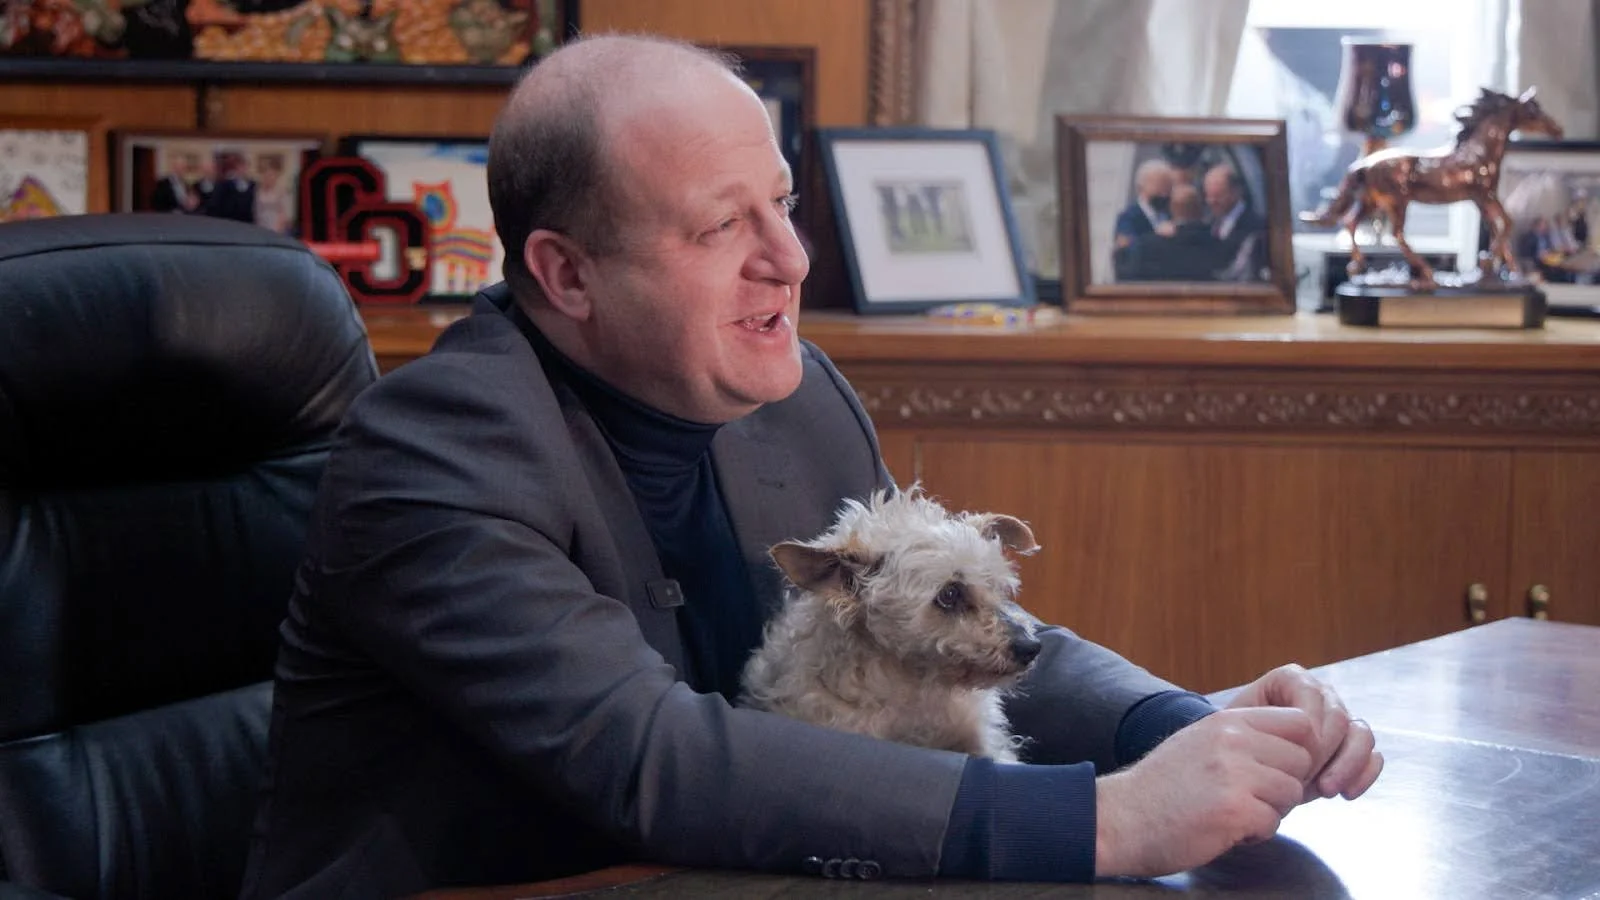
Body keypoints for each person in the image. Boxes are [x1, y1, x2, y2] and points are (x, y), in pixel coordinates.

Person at [239, 33, 1383, 898]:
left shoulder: (792, 395)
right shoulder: (433, 452)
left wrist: (1176, 730)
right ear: (567, 275)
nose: (789, 258)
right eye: (719, 228)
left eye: (781, 204)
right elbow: (652, 761)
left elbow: (929, 636)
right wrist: (1107, 821)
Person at [1125, 184, 1227, 281]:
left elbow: (1131, 276)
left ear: (1172, 208)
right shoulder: (1215, 245)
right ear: (1199, 209)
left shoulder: (1148, 246)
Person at [1202, 163, 1268, 281]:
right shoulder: (1208, 224)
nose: (1212, 202)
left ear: (1236, 191)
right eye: (1208, 196)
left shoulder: (1256, 227)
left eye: (1217, 196)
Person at [1112, 158, 1174, 280]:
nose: (1164, 194)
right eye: (1160, 186)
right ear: (1141, 187)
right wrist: (1158, 236)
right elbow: (1129, 251)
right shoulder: (1128, 218)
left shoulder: (1171, 214)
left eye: (1168, 188)